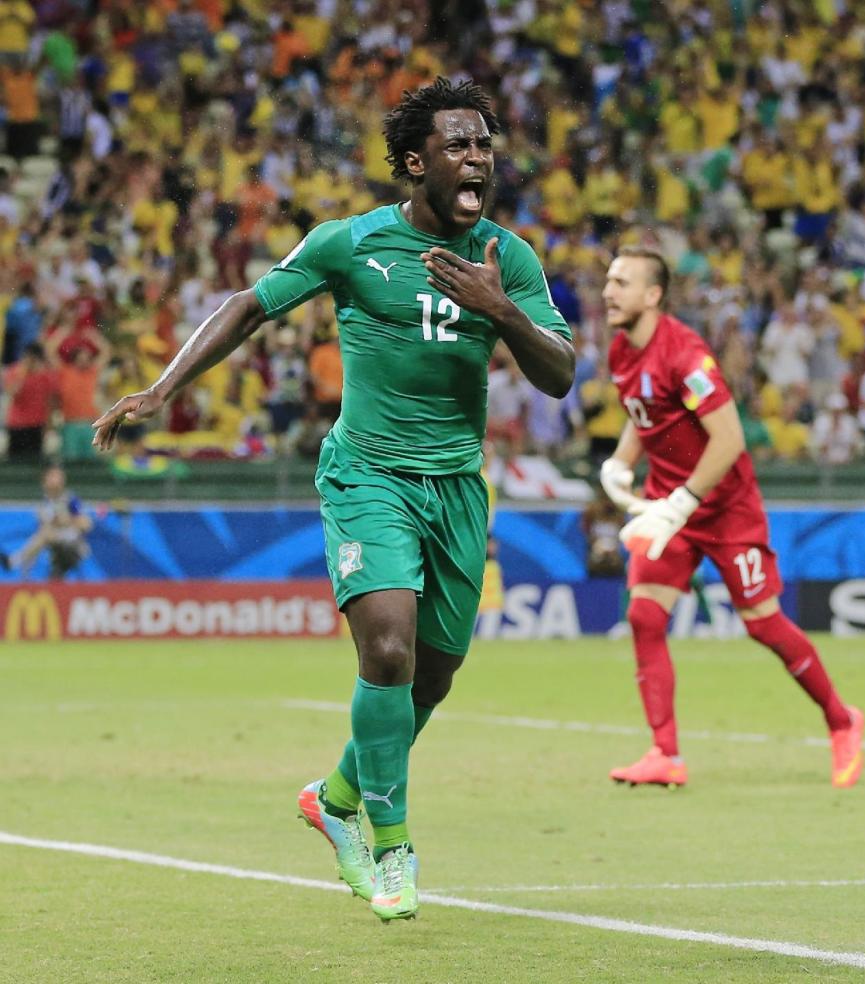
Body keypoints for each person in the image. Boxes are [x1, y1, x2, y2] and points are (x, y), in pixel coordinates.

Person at [92, 77, 574, 921]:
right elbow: (248, 307)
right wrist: (162, 389)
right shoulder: (350, 245)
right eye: (460, 146)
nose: (478, 160)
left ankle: (338, 794)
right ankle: (391, 844)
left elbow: (561, 375)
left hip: (457, 486)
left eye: (485, 146)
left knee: (431, 679)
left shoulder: (510, 259)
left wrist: (502, 312)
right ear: (415, 163)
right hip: (368, 476)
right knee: (386, 650)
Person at [598, 246, 863, 791]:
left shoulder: (686, 354)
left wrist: (683, 501)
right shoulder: (622, 350)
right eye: (608, 280)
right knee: (646, 617)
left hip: (723, 508)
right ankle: (664, 753)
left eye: (621, 282)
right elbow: (642, 414)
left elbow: (730, 439)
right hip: (668, 505)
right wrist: (620, 466)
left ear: (653, 295)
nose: (608, 290)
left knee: (762, 623)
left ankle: (842, 719)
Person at [0, 466, 92, 578]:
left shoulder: (70, 500)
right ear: (44, 481)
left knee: (45, 535)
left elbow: (86, 524)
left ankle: (13, 561)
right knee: (40, 540)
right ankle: (24, 578)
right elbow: (44, 526)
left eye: (58, 477)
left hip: (73, 545)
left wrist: (67, 520)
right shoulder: (44, 504)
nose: (55, 480)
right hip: (54, 546)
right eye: (52, 477)